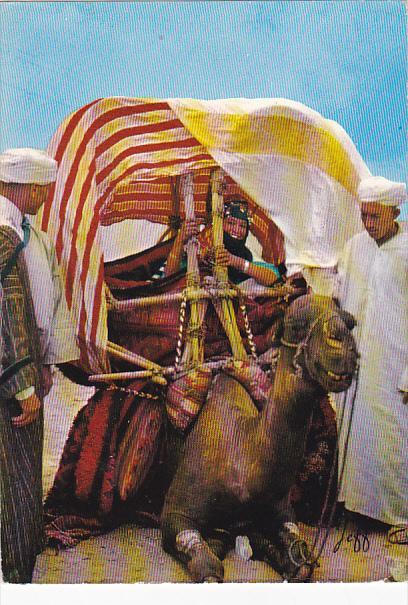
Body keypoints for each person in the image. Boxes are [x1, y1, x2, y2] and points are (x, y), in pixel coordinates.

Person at [0, 148, 79, 583]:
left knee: (20, 479)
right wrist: (24, 387)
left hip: (25, 371)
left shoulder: (28, 234)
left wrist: (47, 363)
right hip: (12, 381)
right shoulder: (3, 234)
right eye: (44, 192)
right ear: (29, 188)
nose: (46, 199)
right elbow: (7, 317)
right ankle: (16, 579)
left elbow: (43, 307)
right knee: (19, 483)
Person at [335, 175, 408, 527]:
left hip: (394, 365)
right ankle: (355, 510)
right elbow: (340, 294)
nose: (368, 224)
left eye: (375, 217)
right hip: (356, 362)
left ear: (394, 212)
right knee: (355, 437)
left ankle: (395, 518)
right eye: (364, 216)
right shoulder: (354, 247)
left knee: (392, 439)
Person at [164, 199, 283, 285]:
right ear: (220, 226)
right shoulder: (199, 246)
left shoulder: (246, 255)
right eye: (230, 223)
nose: (236, 230)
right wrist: (180, 239)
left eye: (242, 226)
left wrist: (235, 262)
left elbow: (273, 277)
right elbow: (169, 276)